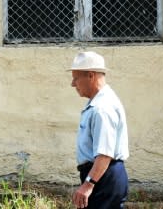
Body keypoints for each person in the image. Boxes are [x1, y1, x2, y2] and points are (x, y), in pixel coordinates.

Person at [69, 51, 129, 209]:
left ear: (90, 75)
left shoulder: (102, 108)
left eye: (76, 78)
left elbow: (104, 154)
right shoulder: (98, 103)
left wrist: (88, 185)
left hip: (103, 177)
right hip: (101, 176)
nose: (73, 84)